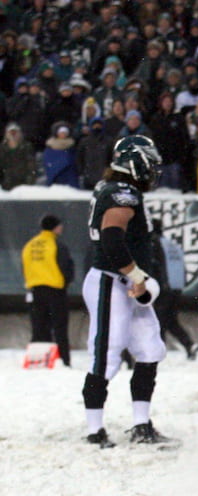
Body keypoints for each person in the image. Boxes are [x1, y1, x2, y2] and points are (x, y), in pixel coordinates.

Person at [81, 135, 171, 449]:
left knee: (149, 349)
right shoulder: (123, 193)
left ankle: (141, 424)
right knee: (106, 353)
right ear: (135, 161)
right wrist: (135, 275)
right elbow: (111, 239)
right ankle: (95, 430)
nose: (154, 169)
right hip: (112, 280)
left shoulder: (118, 189)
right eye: (149, 161)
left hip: (128, 281)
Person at [21, 214, 74, 366]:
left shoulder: (30, 245)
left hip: (35, 290)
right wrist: (66, 282)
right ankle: (63, 360)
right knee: (59, 327)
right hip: (56, 291)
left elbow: (25, 267)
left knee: (39, 327)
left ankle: (38, 360)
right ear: (56, 227)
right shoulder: (57, 244)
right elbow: (66, 267)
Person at [151, 219, 195, 360]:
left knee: (159, 319)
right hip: (177, 287)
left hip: (165, 287)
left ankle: (159, 350)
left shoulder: (155, 244)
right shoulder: (172, 244)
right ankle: (188, 344)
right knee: (170, 320)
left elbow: (157, 265)